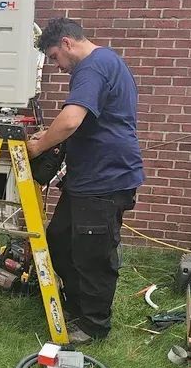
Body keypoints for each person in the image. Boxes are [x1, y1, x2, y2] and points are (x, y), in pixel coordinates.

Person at [27, 17, 144, 344]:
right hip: (87, 179)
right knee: (61, 241)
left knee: (92, 254)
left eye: (54, 58)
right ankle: (77, 307)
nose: (57, 66)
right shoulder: (103, 63)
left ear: (66, 43)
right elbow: (76, 121)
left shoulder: (92, 66)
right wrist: (49, 134)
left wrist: (39, 144)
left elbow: (71, 120)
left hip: (105, 179)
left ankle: (94, 326)